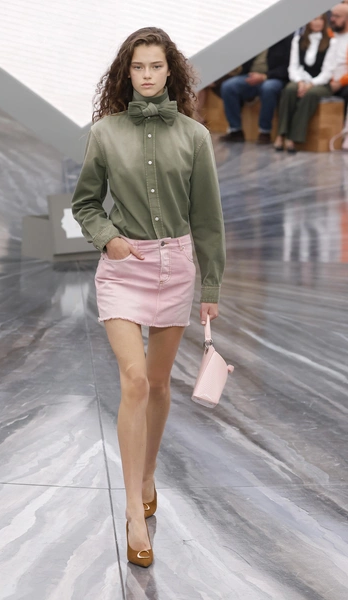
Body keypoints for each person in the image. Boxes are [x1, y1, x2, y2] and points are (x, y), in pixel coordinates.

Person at [71, 28, 225, 568]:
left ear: (170, 72)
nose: (147, 75)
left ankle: (148, 473)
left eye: (156, 66)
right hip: (123, 268)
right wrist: (108, 239)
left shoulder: (194, 136)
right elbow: (86, 203)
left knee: (159, 384)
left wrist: (211, 285)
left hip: (176, 267)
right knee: (134, 380)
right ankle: (134, 511)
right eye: (138, 67)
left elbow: (208, 217)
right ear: (127, 73)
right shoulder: (104, 133)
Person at [274, 15, 334, 152]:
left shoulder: (331, 42)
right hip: (301, 79)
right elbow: (293, 66)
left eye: (320, 19)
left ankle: (293, 137)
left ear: (324, 22)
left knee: (310, 94)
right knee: (289, 90)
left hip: (320, 82)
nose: (317, 22)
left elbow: (327, 72)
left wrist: (310, 84)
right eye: (314, 19)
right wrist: (300, 82)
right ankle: (281, 134)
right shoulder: (298, 40)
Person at [220, 34, 293, 144]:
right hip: (251, 76)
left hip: (273, 77)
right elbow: (244, 63)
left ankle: (265, 132)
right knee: (228, 87)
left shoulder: (285, 40)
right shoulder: (256, 38)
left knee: (268, 88)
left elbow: (286, 67)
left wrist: (264, 76)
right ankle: (235, 130)